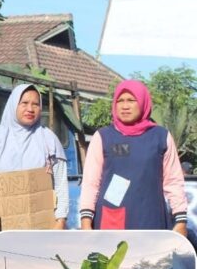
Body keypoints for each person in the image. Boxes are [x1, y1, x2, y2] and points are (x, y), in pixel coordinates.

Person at [80, 80, 187, 234]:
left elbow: (173, 181)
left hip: (151, 219)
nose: (125, 106)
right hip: (111, 221)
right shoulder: (103, 137)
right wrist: (85, 221)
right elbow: (91, 182)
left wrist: (181, 219)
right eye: (120, 101)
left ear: (143, 102)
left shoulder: (161, 137)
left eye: (131, 100)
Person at [0, 84, 69, 229]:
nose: (30, 109)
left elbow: (60, 184)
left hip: (38, 228)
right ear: (14, 104)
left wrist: (61, 220)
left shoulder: (49, 140)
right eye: (24, 103)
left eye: (35, 104)